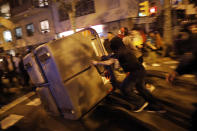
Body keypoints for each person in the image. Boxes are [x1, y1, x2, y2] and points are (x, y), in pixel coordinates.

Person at [92, 37, 165, 112]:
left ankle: (141, 103)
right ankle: (157, 106)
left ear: (115, 45)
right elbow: (112, 57)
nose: (111, 46)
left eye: (112, 44)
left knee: (125, 88)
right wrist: (104, 57)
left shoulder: (120, 52)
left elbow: (109, 62)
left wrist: (97, 62)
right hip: (140, 70)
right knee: (142, 89)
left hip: (135, 73)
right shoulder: (123, 49)